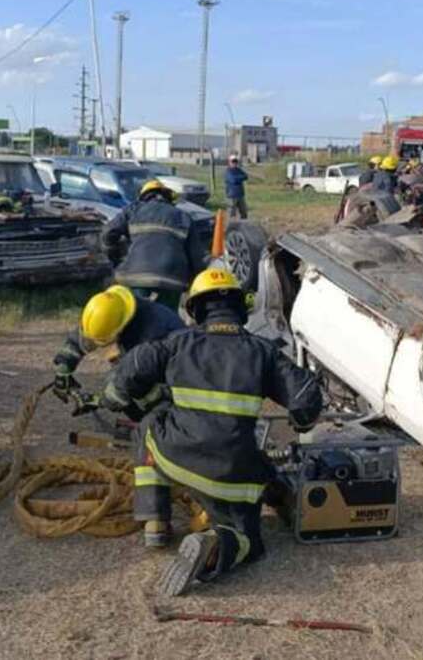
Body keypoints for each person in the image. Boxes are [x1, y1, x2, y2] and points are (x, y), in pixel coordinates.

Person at [98, 267, 322, 596]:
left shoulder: (176, 343)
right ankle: (220, 543)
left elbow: (130, 370)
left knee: (148, 426)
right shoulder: (263, 351)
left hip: (178, 458)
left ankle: (155, 521)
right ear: (239, 307)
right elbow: (306, 397)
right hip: (237, 477)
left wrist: (113, 398)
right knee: (250, 542)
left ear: (196, 310)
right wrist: (302, 424)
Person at [52, 284, 184, 401]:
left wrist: (101, 401)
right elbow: (85, 336)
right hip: (159, 359)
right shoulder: (113, 308)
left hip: (176, 378)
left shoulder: (150, 334)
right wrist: (63, 367)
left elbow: (131, 378)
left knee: (124, 388)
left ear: (121, 328)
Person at [102, 179, 207, 311]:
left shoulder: (133, 209)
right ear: (168, 197)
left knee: (137, 317)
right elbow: (197, 257)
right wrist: (196, 286)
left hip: (136, 277)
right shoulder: (183, 217)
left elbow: (108, 233)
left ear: (144, 196)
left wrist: (115, 259)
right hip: (172, 281)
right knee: (168, 321)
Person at [224, 155, 249, 220]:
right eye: (233, 161)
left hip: (240, 195)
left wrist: (238, 177)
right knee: (231, 214)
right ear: (229, 162)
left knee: (244, 213)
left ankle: (243, 227)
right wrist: (240, 177)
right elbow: (233, 180)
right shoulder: (228, 171)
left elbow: (246, 176)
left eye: (235, 161)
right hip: (231, 196)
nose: (234, 163)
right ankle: (230, 228)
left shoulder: (238, 170)